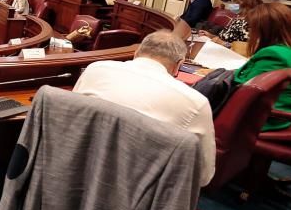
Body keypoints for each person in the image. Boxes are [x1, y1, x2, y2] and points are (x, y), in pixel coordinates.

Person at [73, 30, 215, 186]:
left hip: (79, 172)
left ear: (136, 53)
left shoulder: (95, 69)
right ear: (179, 66)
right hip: (138, 191)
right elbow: (202, 176)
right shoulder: (195, 103)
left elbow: (74, 123)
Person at [233, 3, 291, 131]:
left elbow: (245, 91)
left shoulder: (273, 54)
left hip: (258, 120)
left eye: (252, 29)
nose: (249, 34)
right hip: (281, 116)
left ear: (266, 30)